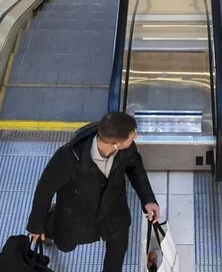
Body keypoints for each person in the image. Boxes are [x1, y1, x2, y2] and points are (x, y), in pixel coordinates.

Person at [27, 112, 160, 272]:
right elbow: (44, 189)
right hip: (78, 213)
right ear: (116, 144)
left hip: (114, 209)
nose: (135, 138)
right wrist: (36, 226)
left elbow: (135, 168)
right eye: (133, 136)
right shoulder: (68, 157)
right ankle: (51, 220)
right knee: (65, 246)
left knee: (118, 250)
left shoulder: (127, 148)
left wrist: (148, 199)